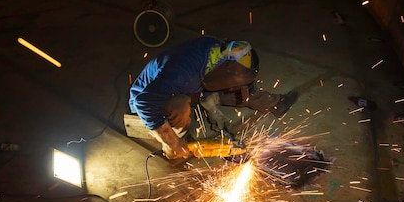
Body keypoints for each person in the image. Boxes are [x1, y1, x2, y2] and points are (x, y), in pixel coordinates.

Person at [128, 36, 299, 159]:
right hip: (150, 100)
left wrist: (214, 112)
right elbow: (143, 102)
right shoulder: (181, 74)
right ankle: (180, 137)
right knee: (181, 106)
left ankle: (276, 104)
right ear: (224, 68)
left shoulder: (216, 52)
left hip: (188, 87)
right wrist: (170, 143)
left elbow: (210, 86)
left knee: (241, 91)